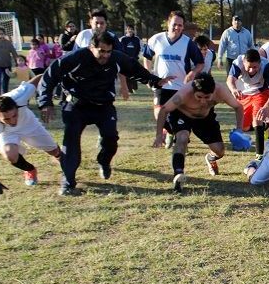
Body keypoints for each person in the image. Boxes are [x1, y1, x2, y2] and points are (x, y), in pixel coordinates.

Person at [37, 32, 173, 196]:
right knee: (71, 142)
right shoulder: (75, 58)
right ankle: (68, 183)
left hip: (103, 105)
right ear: (91, 47)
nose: (105, 55)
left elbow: (134, 69)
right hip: (76, 105)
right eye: (101, 51)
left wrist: (154, 80)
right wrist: (45, 102)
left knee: (111, 140)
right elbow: (50, 76)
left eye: (108, 51)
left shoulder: (115, 58)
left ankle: (104, 161)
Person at [153, 73, 244, 192]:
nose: (202, 101)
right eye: (199, 97)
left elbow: (238, 107)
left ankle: (211, 158)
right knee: (182, 138)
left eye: (207, 98)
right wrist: (159, 135)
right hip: (182, 116)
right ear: (193, 91)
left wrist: (239, 130)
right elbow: (164, 110)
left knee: (220, 151)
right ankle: (178, 174)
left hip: (205, 119)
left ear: (213, 91)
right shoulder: (185, 92)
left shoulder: (220, 90)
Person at [0, 75, 62, 195]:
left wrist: (58, 73)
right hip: (6, 133)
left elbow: (42, 76)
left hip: (28, 124)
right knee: (10, 155)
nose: (12, 121)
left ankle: (61, 160)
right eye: (6, 119)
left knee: (54, 151)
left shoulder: (20, 95)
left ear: (16, 107)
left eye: (14, 115)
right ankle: (30, 170)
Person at [144, 11, 205, 148]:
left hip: (180, 86)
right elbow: (147, 57)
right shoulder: (156, 39)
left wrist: (192, 73)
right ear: (168, 23)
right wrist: (149, 75)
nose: (177, 28)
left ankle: (180, 135)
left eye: (180, 25)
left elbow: (200, 63)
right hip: (161, 85)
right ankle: (172, 132)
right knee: (159, 114)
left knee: (179, 116)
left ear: (183, 27)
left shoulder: (188, 43)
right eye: (174, 24)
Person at [226, 48, 269, 161]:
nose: (251, 70)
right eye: (249, 67)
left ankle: (259, 155)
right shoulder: (238, 62)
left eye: (255, 67)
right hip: (244, 95)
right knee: (244, 127)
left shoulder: (266, 66)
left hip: (261, 93)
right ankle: (265, 126)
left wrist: (266, 107)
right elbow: (230, 79)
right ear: (244, 62)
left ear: (260, 63)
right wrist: (233, 89)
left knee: (257, 120)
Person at [73, 9, 128, 99]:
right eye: (96, 23)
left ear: (106, 24)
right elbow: (73, 59)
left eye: (102, 23)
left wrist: (124, 85)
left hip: (105, 83)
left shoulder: (112, 38)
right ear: (90, 22)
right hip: (83, 82)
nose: (99, 26)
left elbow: (120, 63)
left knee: (104, 110)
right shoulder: (82, 35)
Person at [119, 25, 142, 93]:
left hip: (134, 60)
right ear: (126, 30)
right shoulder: (123, 39)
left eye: (131, 29)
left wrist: (136, 56)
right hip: (125, 60)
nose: (130, 31)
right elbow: (120, 49)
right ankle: (129, 89)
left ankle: (134, 87)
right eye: (128, 29)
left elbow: (139, 49)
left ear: (133, 30)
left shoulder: (137, 39)